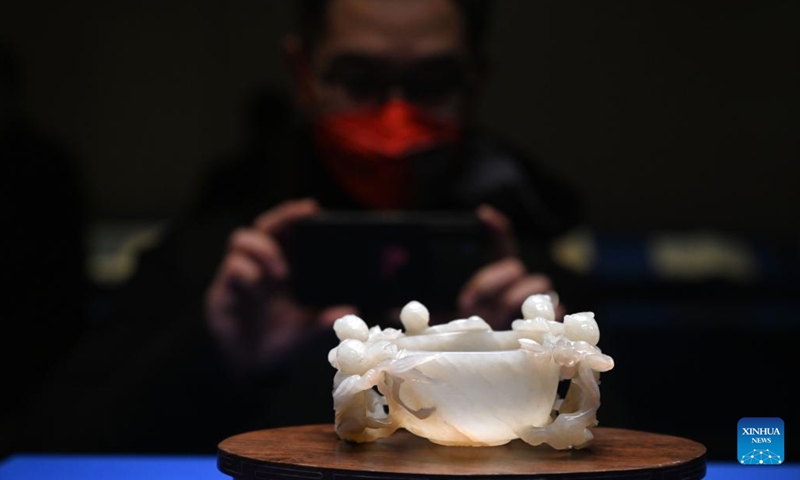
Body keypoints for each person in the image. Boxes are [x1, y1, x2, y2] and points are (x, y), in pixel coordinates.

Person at [19, 0, 585, 454]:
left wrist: (534, 376)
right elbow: (51, 443)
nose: (394, 115)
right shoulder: (230, 238)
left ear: (476, 82)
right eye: (358, 79)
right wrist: (219, 352)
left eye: (431, 82)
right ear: (304, 75)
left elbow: (625, 449)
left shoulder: (520, 245)